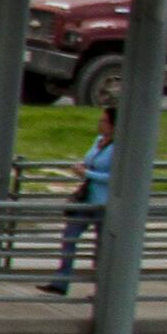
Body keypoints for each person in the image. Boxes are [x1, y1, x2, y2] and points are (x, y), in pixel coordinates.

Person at [34, 105, 115, 296]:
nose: (99, 123)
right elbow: (90, 161)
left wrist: (87, 173)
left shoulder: (119, 147)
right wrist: (82, 167)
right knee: (70, 236)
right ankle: (61, 281)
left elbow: (114, 176)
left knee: (103, 247)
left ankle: (104, 289)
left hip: (104, 203)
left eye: (103, 121)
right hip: (86, 200)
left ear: (113, 125)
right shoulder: (98, 141)